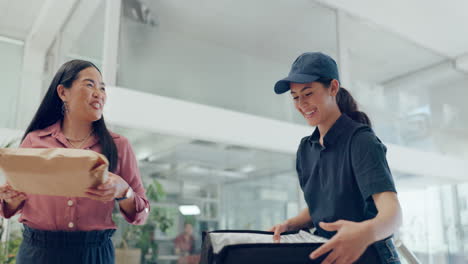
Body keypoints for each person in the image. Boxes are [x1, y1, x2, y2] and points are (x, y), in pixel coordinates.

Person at [0, 60, 150, 264]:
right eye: (90, 85)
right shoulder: (34, 141)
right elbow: (12, 205)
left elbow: (141, 214)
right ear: (63, 92)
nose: (99, 93)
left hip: (94, 254)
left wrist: (124, 190)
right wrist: (11, 198)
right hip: (38, 252)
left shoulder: (119, 146)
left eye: (102, 87)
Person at [269, 52, 403, 264]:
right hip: (331, 254)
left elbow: (393, 214)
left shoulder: (361, 141)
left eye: (308, 93)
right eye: (295, 96)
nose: (302, 103)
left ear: (332, 87)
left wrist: (365, 233)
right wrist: (291, 224)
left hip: (371, 256)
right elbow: (324, 208)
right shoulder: (306, 149)